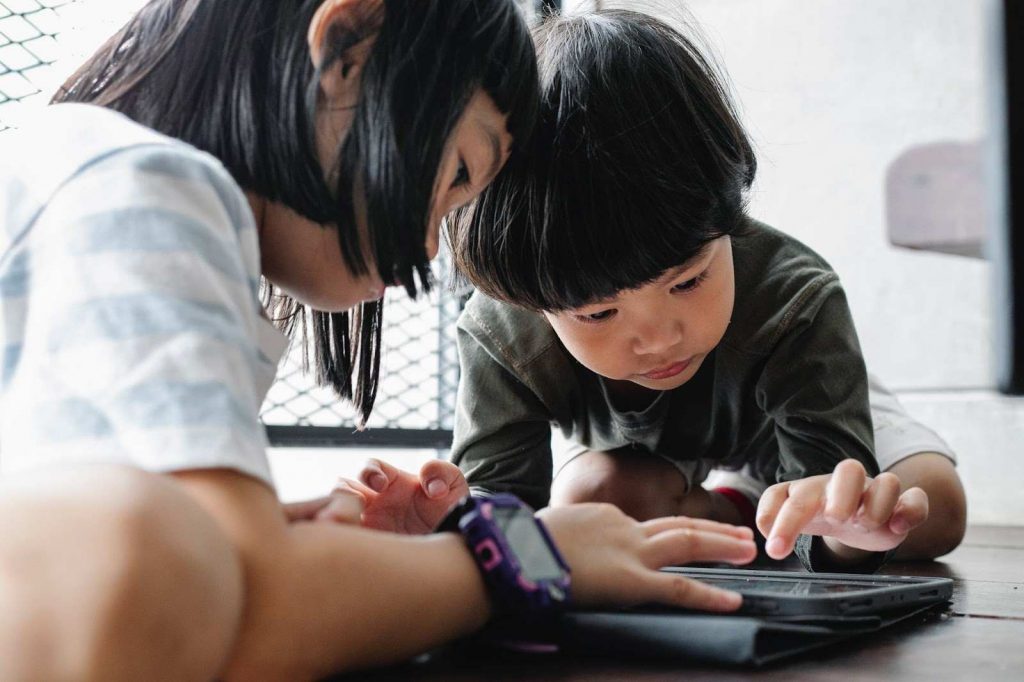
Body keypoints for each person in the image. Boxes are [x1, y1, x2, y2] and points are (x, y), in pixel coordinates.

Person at [0, 2, 760, 680]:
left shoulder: (109, 184)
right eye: (455, 173)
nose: (431, 245)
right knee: (151, 541)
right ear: (349, 48)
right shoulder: (144, 186)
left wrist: (342, 558)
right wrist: (534, 559)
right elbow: (244, 610)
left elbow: (221, 583)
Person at [340, 9, 967, 573]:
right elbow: (505, 515)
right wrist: (455, 527)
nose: (660, 336)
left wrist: (846, 531)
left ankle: (750, 513)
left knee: (927, 505)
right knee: (592, 497)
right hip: (651, 462)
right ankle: (729, 515)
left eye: (689, 280)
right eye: (598, 312)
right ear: (532, 302)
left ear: (730, 221)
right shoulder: (504, 334)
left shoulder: (795, 301)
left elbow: (831, 492)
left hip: (801, 422)